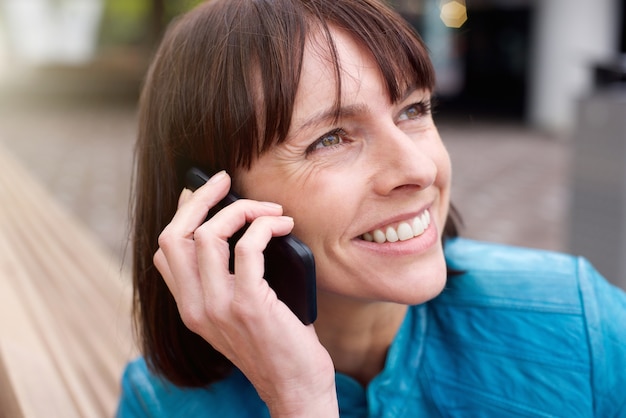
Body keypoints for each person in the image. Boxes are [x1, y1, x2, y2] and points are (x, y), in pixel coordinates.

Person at [116, 0, 626, 416]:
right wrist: (300, 400)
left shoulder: (579, 326)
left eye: (413, 110)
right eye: (331, 138)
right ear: (213, 201)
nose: (419, 170)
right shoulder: (162, 403)